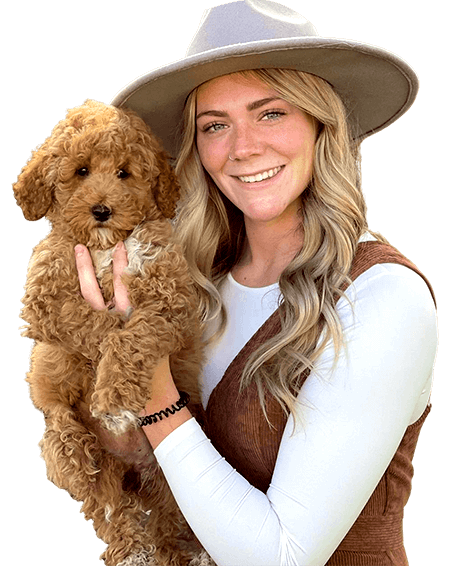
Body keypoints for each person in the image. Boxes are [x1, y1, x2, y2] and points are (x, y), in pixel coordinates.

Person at [75, 2, 438, 565]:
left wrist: (152, 390)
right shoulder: (194, 283)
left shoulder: (384, 296)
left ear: (321, 124)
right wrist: (99, 364)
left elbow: (281, 557)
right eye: (215, 125)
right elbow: (145, 476)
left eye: (270, 113)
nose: (242, 148)